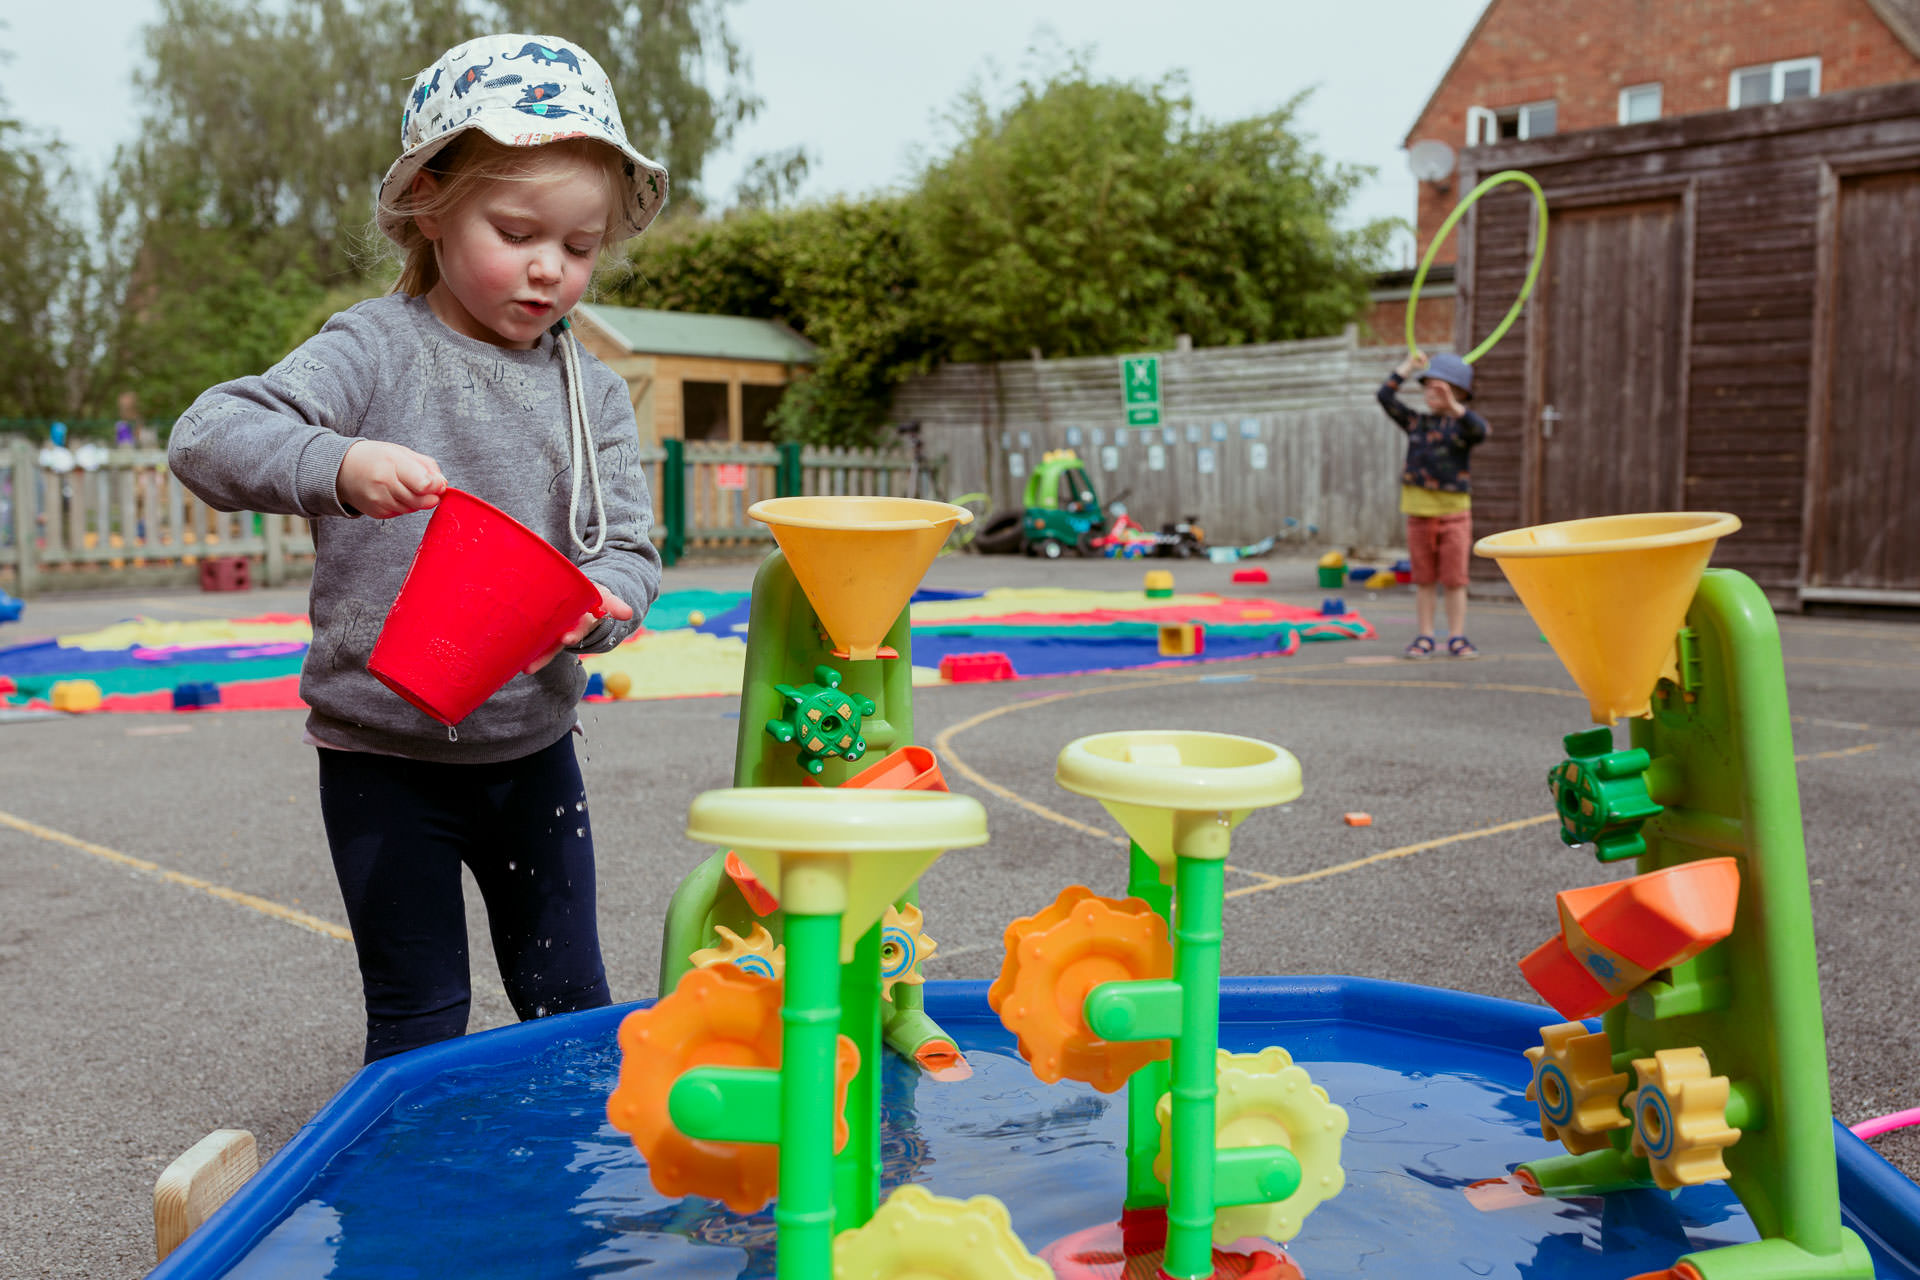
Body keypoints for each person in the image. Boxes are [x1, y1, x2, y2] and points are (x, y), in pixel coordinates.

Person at [167, 34, 670, 1062]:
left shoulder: (593, 390)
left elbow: (629, 545)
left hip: (532, 753)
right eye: (517, 230)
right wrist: (337, 463)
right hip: (382, 760)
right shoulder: (374, 347)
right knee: (416, 1013)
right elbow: (206, 434)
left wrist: (604, 601)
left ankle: (569, 1199)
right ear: (430, 204)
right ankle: (413, 1216)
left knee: (570, 999)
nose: (549, 267)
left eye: (578, 248)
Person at [1377, 350, 1488, 659]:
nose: (1432, 393)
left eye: (1441, 388)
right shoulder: (1416, 422)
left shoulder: (1463, 428)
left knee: (1455, 580)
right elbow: (1384, 397)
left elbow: (1481, 431)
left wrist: (1454, 407)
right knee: (1424, 580)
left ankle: (1457, 637)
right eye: (1428, 386)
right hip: (1418, 514)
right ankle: (1425, 636)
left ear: (1459, 393)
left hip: (1455, 515)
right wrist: (1408, 367)